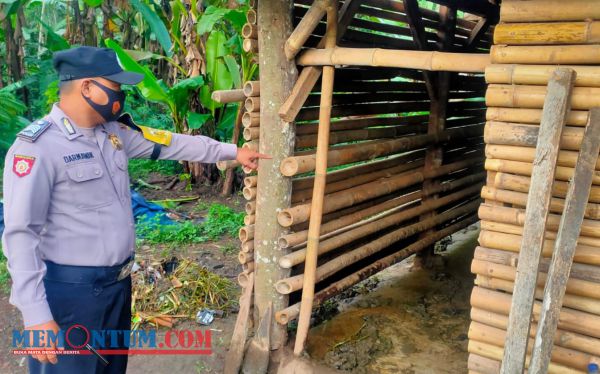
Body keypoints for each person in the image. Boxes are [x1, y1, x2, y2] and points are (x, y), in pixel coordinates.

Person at [2, 46, 269, 374]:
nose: (120, 96)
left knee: (112, 369)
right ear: (87, 87)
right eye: (115, 87)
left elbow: (170, 142)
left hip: (117, 286)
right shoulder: (36, 148)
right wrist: (35, 314)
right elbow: (20, 234)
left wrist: (231, 151)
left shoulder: (113, 134)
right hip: (71, 295)